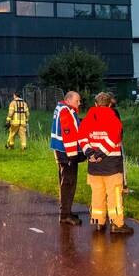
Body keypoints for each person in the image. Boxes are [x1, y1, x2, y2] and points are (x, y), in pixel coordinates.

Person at [79, 92, 133, 235]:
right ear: (110, 104)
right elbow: (113, 138)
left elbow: (82, 137)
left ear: (95, 104)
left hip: (94, 166)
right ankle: (117, 224)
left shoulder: (87, 119)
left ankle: (98, 222)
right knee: (114, 195)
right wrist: (100, 154)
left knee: (97, 194)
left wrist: (90, 153)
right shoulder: (114, 119)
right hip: (111, 165)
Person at [50, 91, 84, 225]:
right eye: (77, 101)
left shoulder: (62, 108)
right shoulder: (66, 111)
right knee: (68, 183)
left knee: (65, 182)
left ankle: (66, 211)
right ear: (69, 100)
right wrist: (73, 156)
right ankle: (65, 215)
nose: (79, 103)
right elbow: (68, 135)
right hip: (66, 153)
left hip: (60, 151)